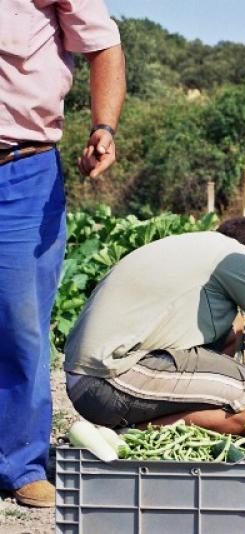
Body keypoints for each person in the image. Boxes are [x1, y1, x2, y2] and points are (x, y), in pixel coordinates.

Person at [0, 0, 126, 508]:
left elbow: (103, 46)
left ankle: (20, 461)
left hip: (22, 169)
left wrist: (104, 127)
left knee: (19, 319)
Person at [64, 218, 245, 437]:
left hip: (89, 378)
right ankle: (130, 436)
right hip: (109, 378)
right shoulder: (235, 257)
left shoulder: (195, 250)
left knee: (231, 336)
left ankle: (139, 428)